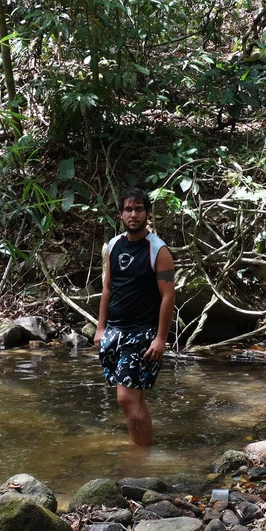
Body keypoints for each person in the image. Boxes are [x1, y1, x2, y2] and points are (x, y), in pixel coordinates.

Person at [93, 187, 175, 447]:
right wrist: (100, 328)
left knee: (126, 398)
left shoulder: (158, 251)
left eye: (139, 209)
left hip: (142, 332)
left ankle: (139, 455)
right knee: (134, 398)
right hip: (114, 331)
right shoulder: (114, 245)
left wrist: (161, 338)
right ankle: (145, 451)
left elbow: (168, 296)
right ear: (120, 214)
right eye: (128, 209)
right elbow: (108, 288)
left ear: (147, 214)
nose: (134, 214)